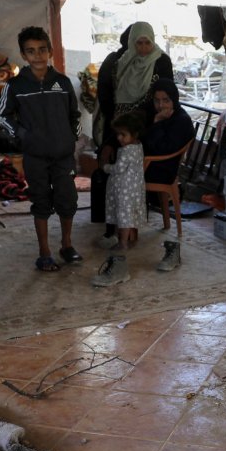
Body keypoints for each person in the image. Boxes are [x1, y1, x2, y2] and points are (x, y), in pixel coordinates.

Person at [2, 25, 82, 272]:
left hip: (63, 155)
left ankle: (66, 245)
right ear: (23, 55)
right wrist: (24, 136)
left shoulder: (63, 82)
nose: (38, 55)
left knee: (67, 199)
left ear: (50, 51)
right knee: (41, 201)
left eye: (42, 50)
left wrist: (70, 138)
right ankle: (44, 252)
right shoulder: (15, 85)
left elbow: (74, 115)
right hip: (34, 155)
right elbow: (3, 116)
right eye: (31, 51)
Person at [93, 21, 173, 244]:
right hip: (119, 127)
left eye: (147, 42)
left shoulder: (161, 62)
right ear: (131, 42)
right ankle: (111, 225)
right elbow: (108, 96)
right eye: (139, 43)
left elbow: (164, 96)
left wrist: (140, 121)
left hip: (146, 128)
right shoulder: (121, 62)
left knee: (129, 178)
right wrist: (112, 136)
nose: (144, 48)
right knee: (108, 173)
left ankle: (129, 228)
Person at [142, 80, 193, 273]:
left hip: (163, 168)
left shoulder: (181, 120)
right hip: (152, 162)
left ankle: (122, 232)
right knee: (110, 174)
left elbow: (160, 147)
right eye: (157, 100)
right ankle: (116, 229)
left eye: (165, 100)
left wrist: (156, 124)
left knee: (121, 179)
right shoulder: (159, 116)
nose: (161, 105)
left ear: (174, 100)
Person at [93, 113, 146, 288]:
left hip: (125, 188)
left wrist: (105, 167)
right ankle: (120, 238)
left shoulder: (127, 151)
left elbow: (119, 168)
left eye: (123, 134)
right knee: (126, 213)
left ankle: (122, 242)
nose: (119, 138)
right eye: (118, 134)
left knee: (123, 215)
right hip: (131, 187)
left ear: (134, 134)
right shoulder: (138, 146)